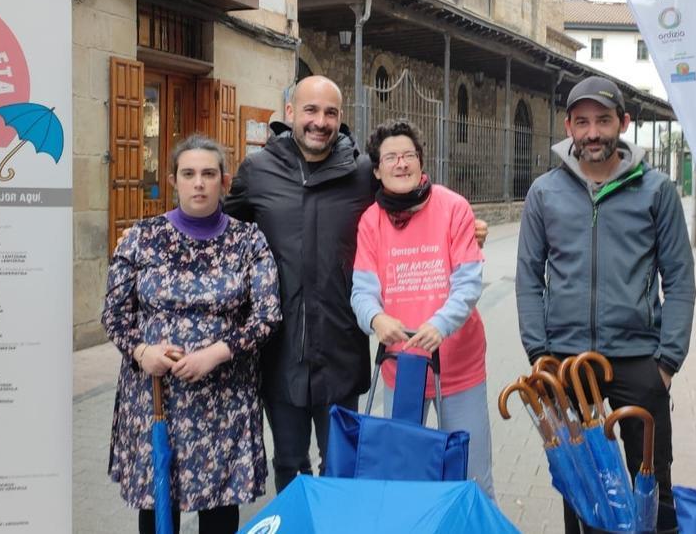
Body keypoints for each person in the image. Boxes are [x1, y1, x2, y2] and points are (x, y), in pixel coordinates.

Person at [224, 75, 488, 491]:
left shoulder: (362, 172)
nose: (320, 121)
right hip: (281, 349)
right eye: (310, 110)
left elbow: (408, 198)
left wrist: (467, 226)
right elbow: (223, 235)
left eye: (330, 112)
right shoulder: (257, 171)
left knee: (343, 466)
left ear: (341, 118)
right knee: (290, 464)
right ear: (290, 112)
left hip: (339, 349)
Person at [516, 75, 695, 533]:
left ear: (624, 123)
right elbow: (527, 280)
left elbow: (679, 279)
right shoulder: (545, 193)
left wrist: (667, 361)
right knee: (582, 487)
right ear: (568, 127)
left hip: (640, 360)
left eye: (603, 120)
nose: (592, 132)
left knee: (653, 484)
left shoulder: (656, 191)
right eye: (582, 122)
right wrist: (540, 356)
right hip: (567, 364)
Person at [102, 134, 281, 534]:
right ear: (173, 180)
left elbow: (267, 315)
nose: (198, 182)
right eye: (188, 173)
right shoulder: (141, 238)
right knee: (158, 507)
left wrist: (216, 353)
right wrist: (140, 351)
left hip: (223, 397)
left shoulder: (248, 241)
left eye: (208, 173)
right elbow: (114, 314)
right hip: (155, 396)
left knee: (219, 514)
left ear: (224, 181)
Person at [350, 119, 494, 497]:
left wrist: (441, 325)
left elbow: (468, 283)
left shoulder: (453, 208)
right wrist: (376, 318)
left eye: (408, 155)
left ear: (421, 161)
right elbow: (362, 291)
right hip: (403, 370)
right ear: (377, 170)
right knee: (405, 477)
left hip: (459, 369)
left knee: (472, 477)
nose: (401, 164)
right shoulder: (371, 221)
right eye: (391, 158)